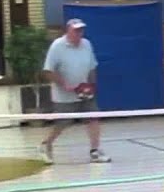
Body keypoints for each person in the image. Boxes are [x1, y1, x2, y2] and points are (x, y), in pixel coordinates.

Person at [38, 18, 110, 164]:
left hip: (85, 92)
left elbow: (92, 67)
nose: (79, 33)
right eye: (76, 30)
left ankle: (95, 151)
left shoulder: (87, 44)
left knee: (93, 118)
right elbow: (48, 71)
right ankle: (45, 145)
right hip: (64, 95)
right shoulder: (57, 46)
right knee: (63, 122)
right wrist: (64, 84)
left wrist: (92, 85)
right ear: (68, 31)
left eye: (81, 30)